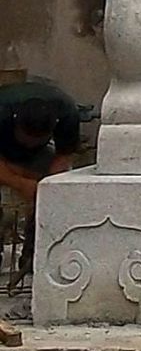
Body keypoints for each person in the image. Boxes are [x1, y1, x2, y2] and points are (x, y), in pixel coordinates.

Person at [0, 79, 82, 251]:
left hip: (41, 154)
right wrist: (19, 182)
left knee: (55, 197)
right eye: (26, 139)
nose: (29, 144)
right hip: (4, 148)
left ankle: (34, 257)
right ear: (16, 123)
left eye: (35, 140)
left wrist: (47, 188)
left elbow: (63, 157)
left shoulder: (67, 112)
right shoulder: (3, 110)